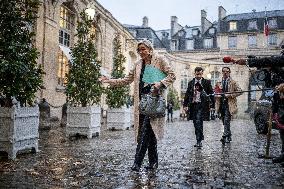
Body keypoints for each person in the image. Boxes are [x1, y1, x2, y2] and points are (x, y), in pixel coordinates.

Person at [100, 39, 176, 171]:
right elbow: (126, 80)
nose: (141, 52)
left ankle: (137, 162)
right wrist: (109, 81)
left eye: (143, 49)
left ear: (150, 49)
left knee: (145, 132)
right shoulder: (138, 64)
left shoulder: (160, 60)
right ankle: (153, 162)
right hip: (141, 103)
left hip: (154, 101)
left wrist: (160, 83)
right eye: (139, 50)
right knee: (149, 133)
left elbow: (172, 75)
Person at [183, 67, 215, 148]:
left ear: (202, 74)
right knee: (195, 122)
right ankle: (200, 137)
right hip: (193, 105)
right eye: (197, 74)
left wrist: (212, 106)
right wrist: (185, 105)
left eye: (200, 74)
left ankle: (199, 140)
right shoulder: (191, 83)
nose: (199, 76)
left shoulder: (206, 82)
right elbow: (187, 94)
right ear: (195, 73)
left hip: (202, 105)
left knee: (198, 122)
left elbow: (211, 93)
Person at [215, 67, 242, 144]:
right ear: (222, 72)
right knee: (224, 121)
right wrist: (217, 95)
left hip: (229, 104)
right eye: (223, 71)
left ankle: (224, 135)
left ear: (229, 72)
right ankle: (229, 135)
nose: (225, 73)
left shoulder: (233, 82)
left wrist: (230, 95)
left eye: (227, 71)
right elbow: (215, 91)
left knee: (227, 120)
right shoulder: (218, 82)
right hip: (221, 104)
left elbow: (240, 91)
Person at [272, 83, 284, 164]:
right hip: (282, 118)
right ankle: (283, 155)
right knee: (283, 137)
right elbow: (275, 103)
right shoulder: (278, 95)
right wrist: (276, 92)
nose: (281, 95)